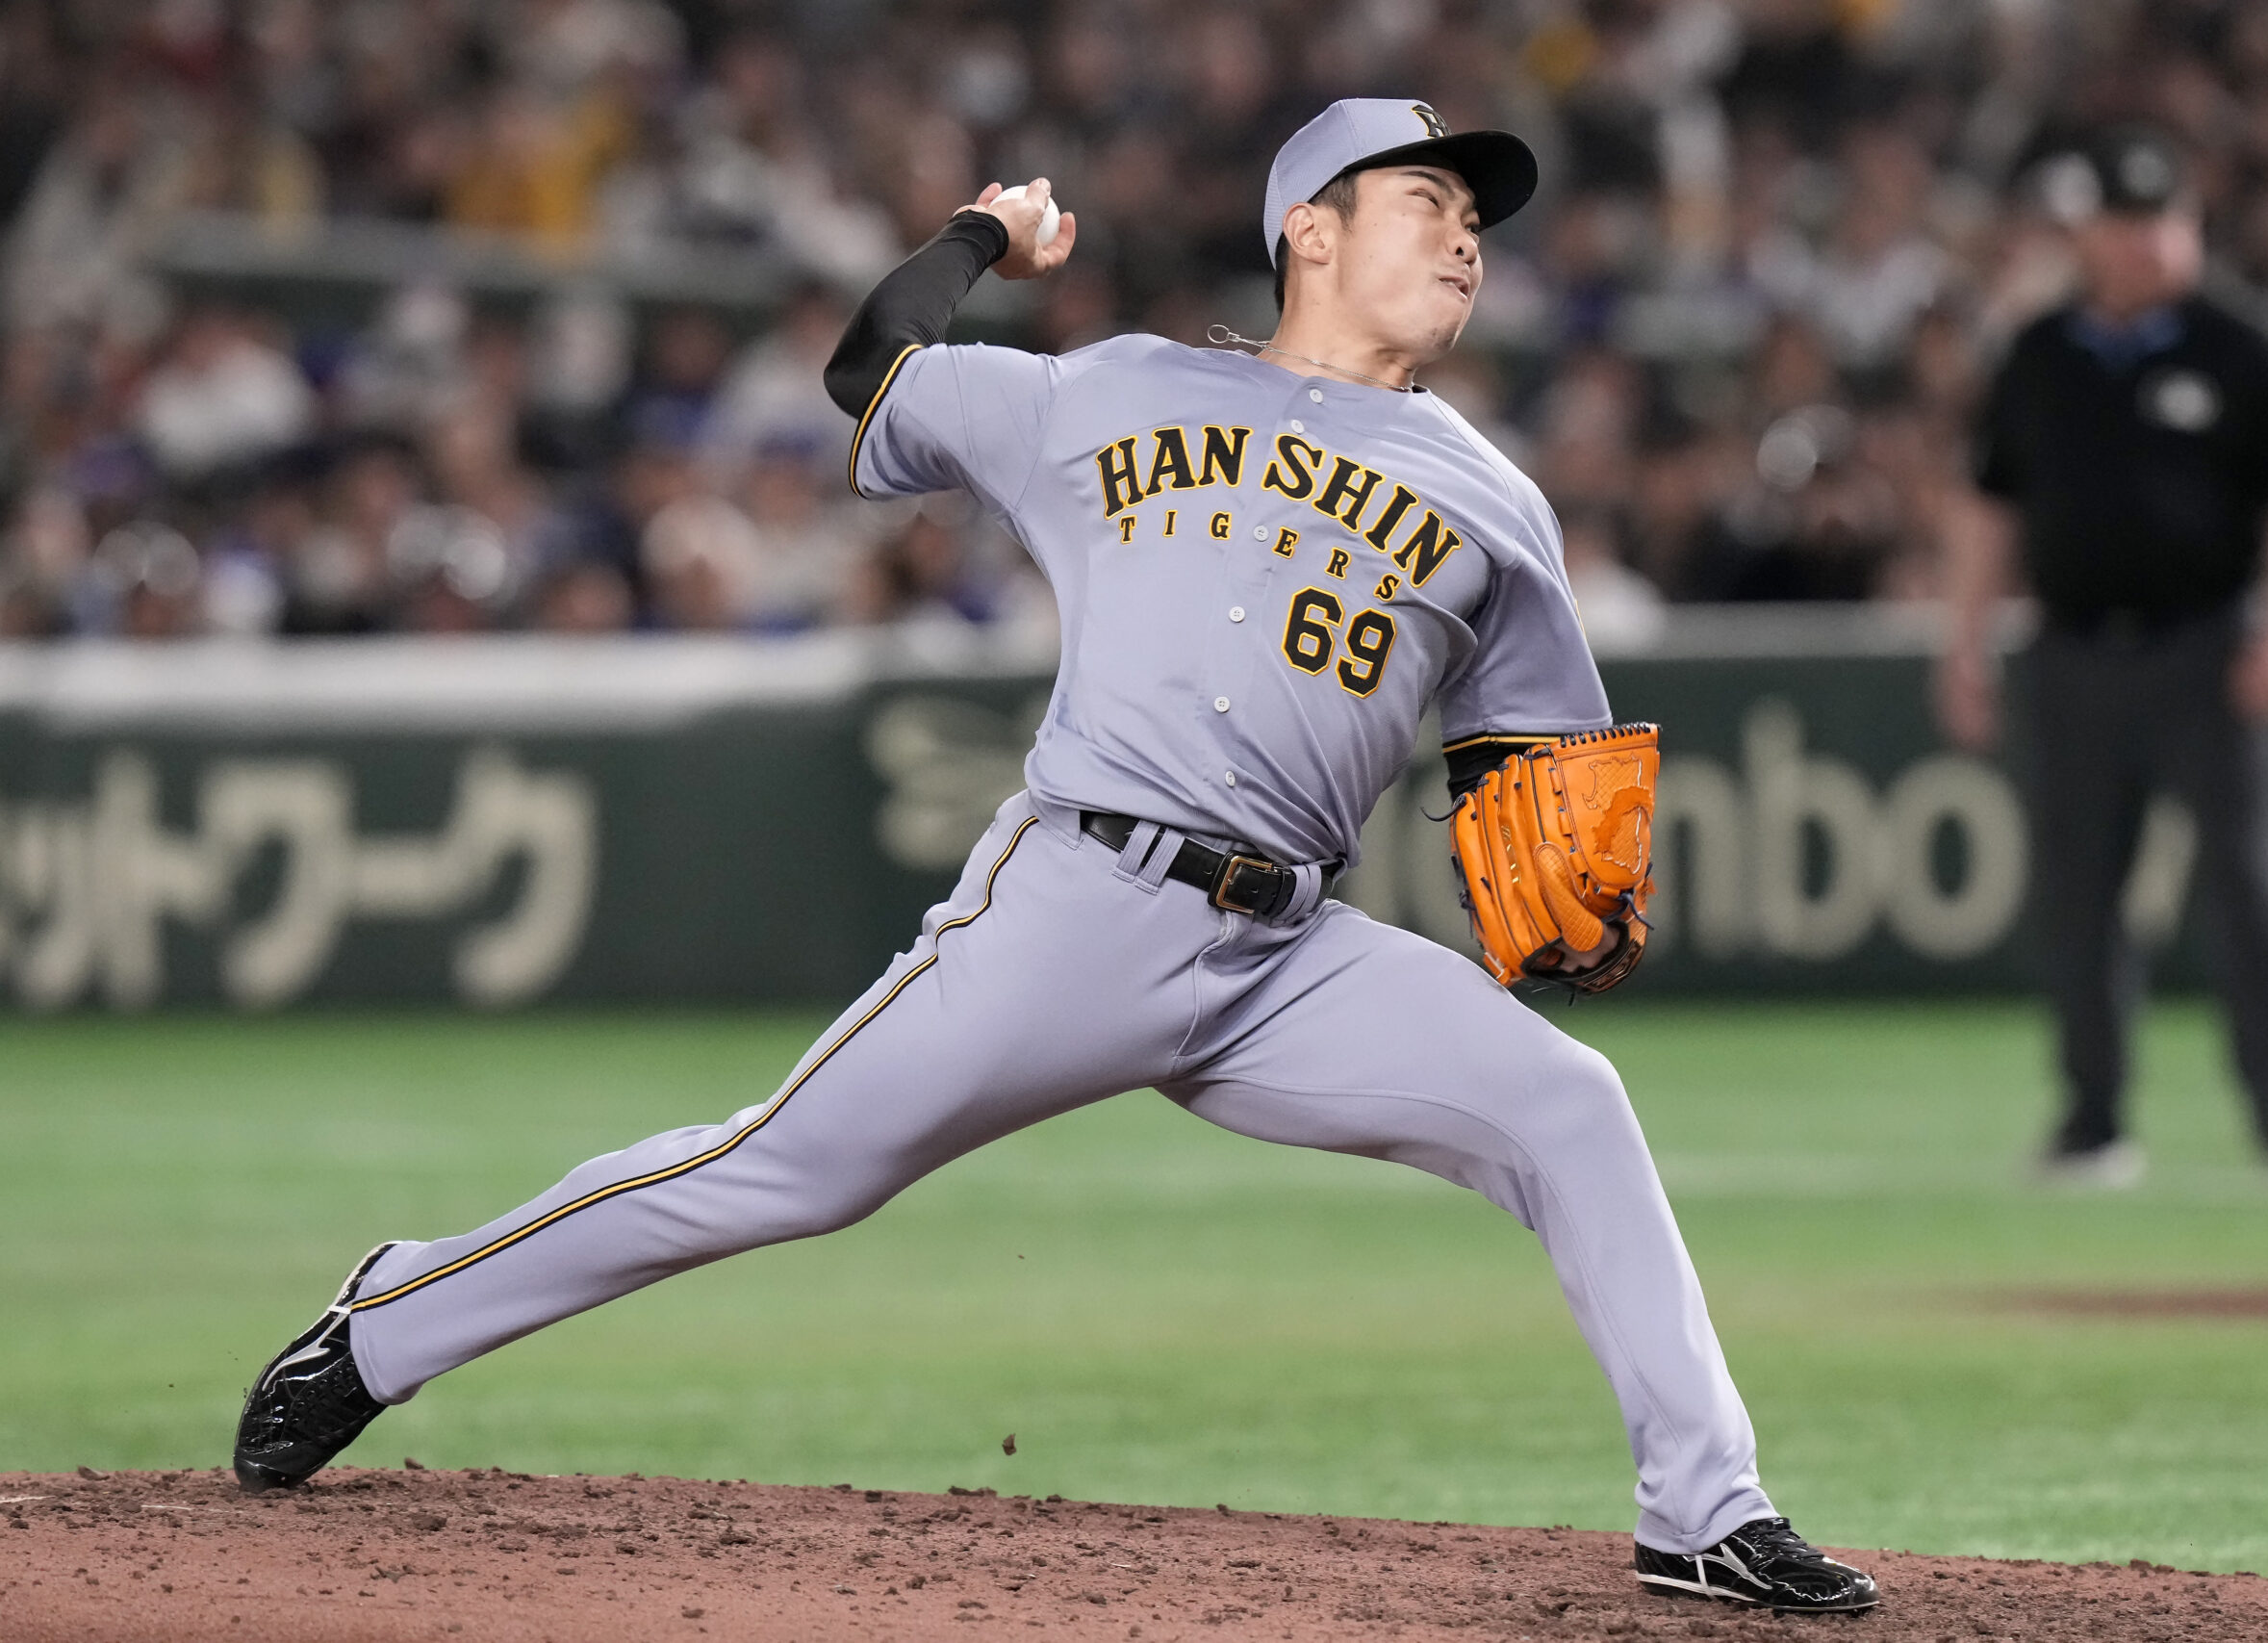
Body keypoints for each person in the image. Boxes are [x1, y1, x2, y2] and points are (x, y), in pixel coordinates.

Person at [230, 98, 1878, 1616]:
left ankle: (1705, 1509)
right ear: (1310, 224)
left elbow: (1526, 771)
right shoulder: (1113, 386)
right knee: (785, 1168)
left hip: (1290, 953)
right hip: (1080, 896)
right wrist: (976, 243)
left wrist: (1567, 899)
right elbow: (866, 374)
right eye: (1429, 199)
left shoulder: (1497, 499)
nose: (1466, 238)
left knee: (1569, 1103)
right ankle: (392, 1316)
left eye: (1478, 219)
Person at [1935, 127, 2268, 1189]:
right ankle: (2092, 1123)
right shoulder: (2039, 354)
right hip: (2072, 653)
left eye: (2167, 222)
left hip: (2207, 650)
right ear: (2090, 236)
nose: (2149, 245)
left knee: (2249, 892)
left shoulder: (2239, 344)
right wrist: (1964, 646)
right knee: (2078, 900)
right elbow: (1988, 510)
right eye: (2128, 224)